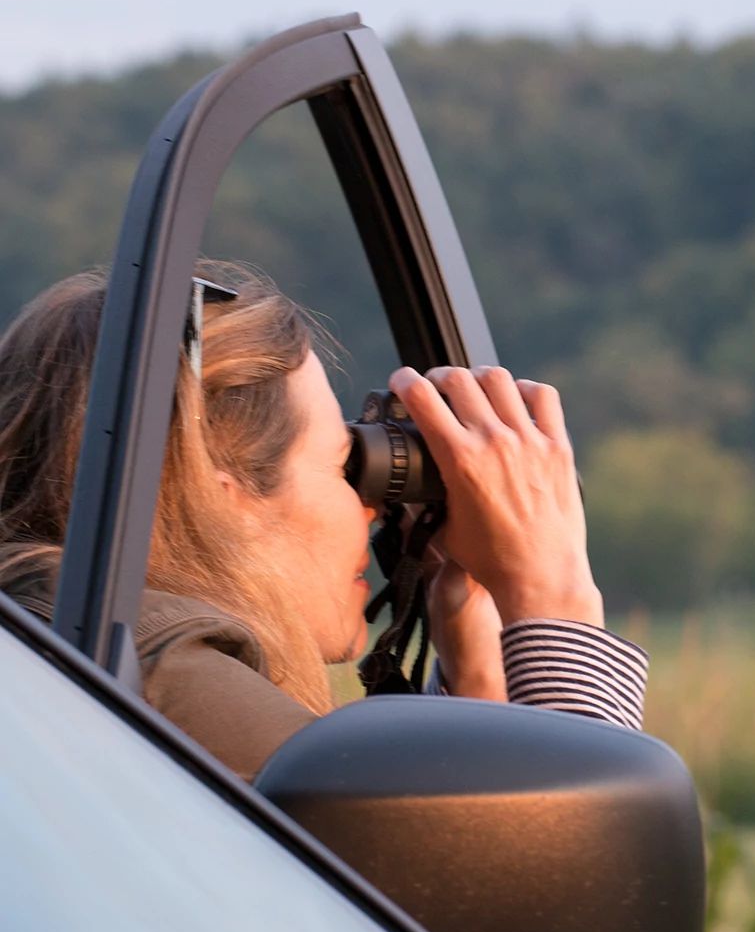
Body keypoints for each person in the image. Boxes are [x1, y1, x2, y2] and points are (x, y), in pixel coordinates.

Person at [0, 260, 647, 779]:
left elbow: (452, 864)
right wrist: (553, 594)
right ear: (224, 497)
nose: (374, 506)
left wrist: (470, 642)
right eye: (346, 465)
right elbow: (575, 895)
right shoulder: (172, 681)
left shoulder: (58, 642)